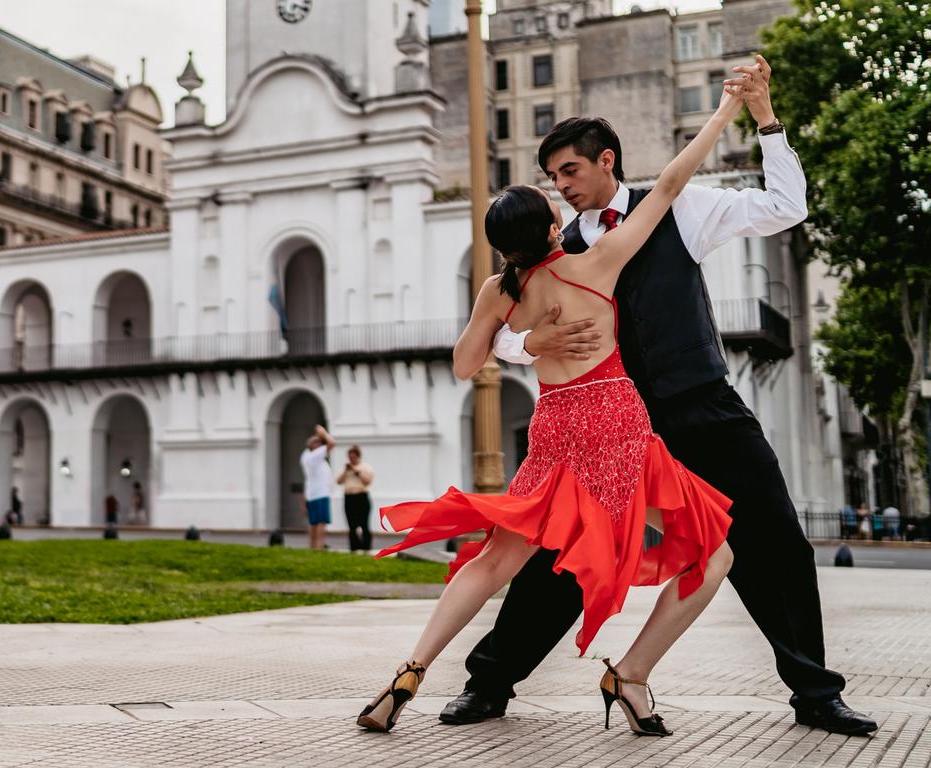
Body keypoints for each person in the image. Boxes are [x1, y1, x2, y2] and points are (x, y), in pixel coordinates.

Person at [439, 55, 876, 737]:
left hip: (703, 404)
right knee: (562, 559)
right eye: (552, 179)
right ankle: (489, 684)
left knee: (773, 542)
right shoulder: (558, 246)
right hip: (614, 422)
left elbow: (788, 207)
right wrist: (532, 348)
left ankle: (817, 696)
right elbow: (497, 331)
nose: (561, 188)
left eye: (569, 173)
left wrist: (764, 117)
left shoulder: (682, 206)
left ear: (605, 160)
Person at [357, 81, 743, 735]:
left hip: (555, 432)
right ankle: (632, 673)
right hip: (617, 431)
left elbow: (461, 364)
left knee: (494, 563)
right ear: (551, 227)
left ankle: (410, 672)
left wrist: (524, 335)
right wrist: (728, 108)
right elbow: (672, 184)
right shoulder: (596, 264)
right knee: (714, 557)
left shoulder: (497, 289)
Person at [300, 425, 335, 550]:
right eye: (319, 443)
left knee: (313, 522)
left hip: (312, 494)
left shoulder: (306, 455)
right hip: (320, 494)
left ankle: (312, 547)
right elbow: (332, 443)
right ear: (313, 445)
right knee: (320, 522)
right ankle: (319, 547)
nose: (321, 445)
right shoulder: (315, 455)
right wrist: (324, 433)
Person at [337, 445, 374, 552]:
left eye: (353, 457)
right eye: (350, 457)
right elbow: (339, 481)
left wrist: (356, 471)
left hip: (361, 497)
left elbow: (367, 481)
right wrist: (346, 471)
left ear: (358, 456)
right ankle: (354, 547)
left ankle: (366, 548)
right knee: (351, 525)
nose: (351, 459)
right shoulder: (346, 469)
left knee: (364, 524)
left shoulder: (365, 467)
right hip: (349, 498)